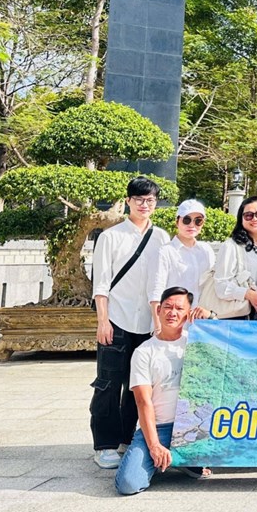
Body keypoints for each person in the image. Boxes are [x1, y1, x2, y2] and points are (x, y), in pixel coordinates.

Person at [90, 176, 171, 470]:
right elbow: (101, 284)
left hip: (148, 324)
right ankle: (104, 444)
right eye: (139, 199)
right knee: (108, 384)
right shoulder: (110, 237)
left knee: (140, 386)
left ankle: (126, 438)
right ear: (128, 201)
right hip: (117, 319)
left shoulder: (162, 237)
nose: (144, 205)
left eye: (150, 200)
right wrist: (103, 321)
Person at [115, 286, 209, 494]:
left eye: (179, 308)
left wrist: (210, 317)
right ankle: (163, 457)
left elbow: (230, 344)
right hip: (160, 427)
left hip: (193, 426)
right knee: (128, 484)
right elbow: (143, 402)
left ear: (188, 313)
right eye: (167, 307)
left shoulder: (197, 343)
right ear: (158, 310)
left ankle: (179, 460)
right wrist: (154, 445)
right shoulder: (144, 352)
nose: (172, 313)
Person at [148, 199, 212, 333]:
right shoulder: (165, 252)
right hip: (170, 325)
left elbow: (211, 286)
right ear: (177, 221)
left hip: (199, 325)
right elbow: (155, 292)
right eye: (186, 220)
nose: (192, 225)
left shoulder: (206, 251)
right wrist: (158, 328)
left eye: (198, 221)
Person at [212, 195, 257, 319]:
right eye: (248, 215)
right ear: (241, 219)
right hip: (240, 315)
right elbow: (220, 285)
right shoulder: (231, 246)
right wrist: (248, 294)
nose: (254, 219)